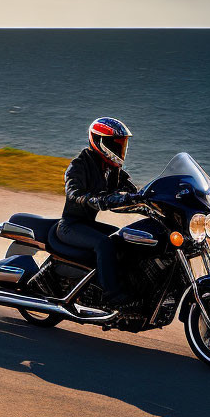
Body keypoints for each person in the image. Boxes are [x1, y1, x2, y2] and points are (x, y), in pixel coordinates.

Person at [57, 117, 141, 307]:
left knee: (125, 239)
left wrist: (153, 198)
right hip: (71, 226)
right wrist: (98, 200)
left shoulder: (113, 169)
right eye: (115, 144)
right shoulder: (79, 165)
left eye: (122, 145)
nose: (120, 149)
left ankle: (129, 288)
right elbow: (74, 193)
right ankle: (112, 296)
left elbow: (134, 191)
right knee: (105, 244)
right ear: (100, 142)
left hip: (88, 225)